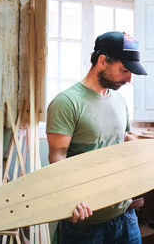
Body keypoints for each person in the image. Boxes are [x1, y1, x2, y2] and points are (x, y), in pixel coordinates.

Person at [46, 31, 147, 243]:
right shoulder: (66, 103)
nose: (129, 79)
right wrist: (70, 201)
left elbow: (123, 139)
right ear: (102, 61)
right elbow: (57, 159)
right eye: (124, 70)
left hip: (125, 213)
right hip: (86, 220)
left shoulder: (120, 101)